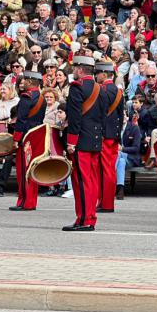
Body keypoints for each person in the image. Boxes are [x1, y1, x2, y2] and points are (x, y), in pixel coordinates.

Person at [63, 56, 105, 232]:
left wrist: (71, 141)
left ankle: (84, 218)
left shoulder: (76, 88)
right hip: (95, 139)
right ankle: (90, 217)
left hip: (80, 140)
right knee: (92, 180)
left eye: (75, 68)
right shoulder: (100, 88)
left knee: (81, 181)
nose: (73, 70)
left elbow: (75, 118)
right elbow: (103, 115)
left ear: (80, 70)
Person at [9, 71, 46, 211]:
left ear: (30, 82)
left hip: (26, 136)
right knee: (32, 168)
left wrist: (16, 139)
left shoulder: (26, 97)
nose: (22, 82)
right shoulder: (41, 97)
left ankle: (24, 202)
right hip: (37, 135)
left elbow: (21, 120)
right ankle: (31, 201)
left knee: (23, 169)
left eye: (24, 80)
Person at [96, 60, 124, 213]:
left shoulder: (102, 90)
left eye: (97, 73)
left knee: (105, 169)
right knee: (109, 168)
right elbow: (120, 115)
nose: (96, 76)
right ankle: (105, 201)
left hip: (103, 134)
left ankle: (106, 203)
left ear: (105, 74)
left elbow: (99, 114)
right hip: (113, 134)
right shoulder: (118, 91)